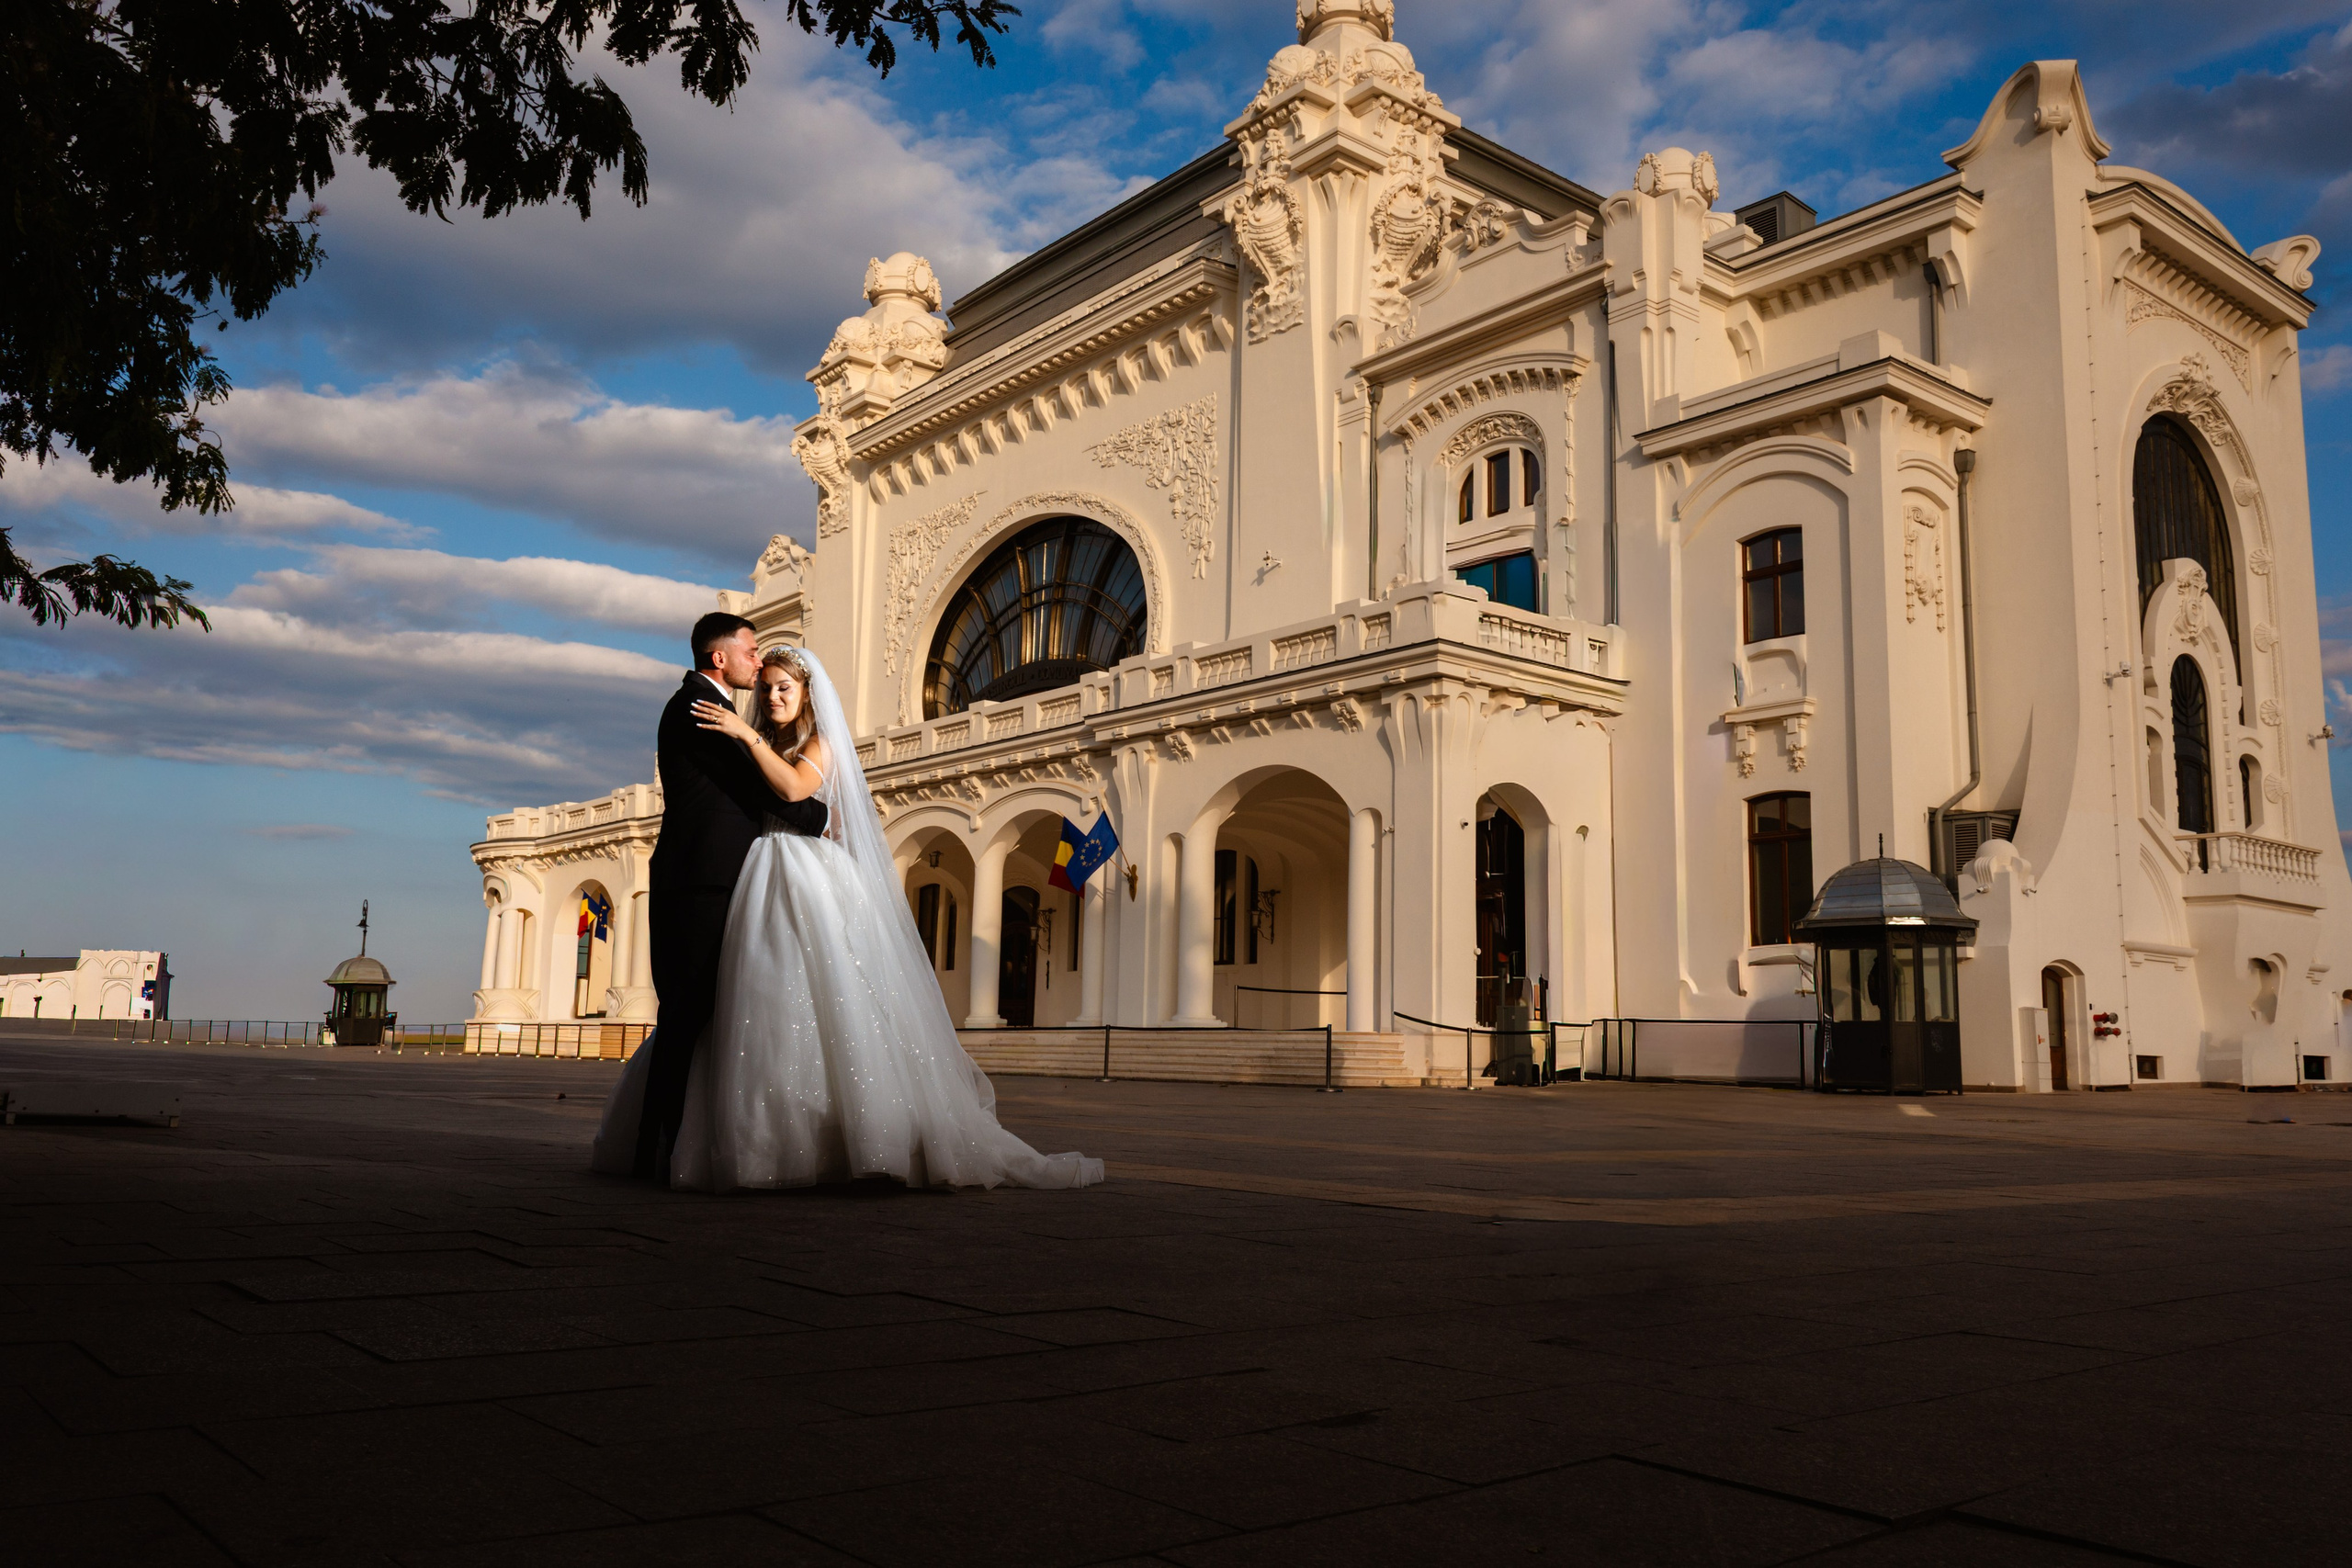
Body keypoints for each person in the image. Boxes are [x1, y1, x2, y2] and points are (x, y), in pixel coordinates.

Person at [594, 644, 1102, 1192]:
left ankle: (847, 1134)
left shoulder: (818, 742)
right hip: (756, 872)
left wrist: (746, 737)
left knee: (823, 984)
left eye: (785, 688)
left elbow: (792, 790)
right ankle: (742, 1131)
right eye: (765, 688)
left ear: (807, 692)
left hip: (806, 874)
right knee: (751, 991)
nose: (772, 697)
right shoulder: (760, 741)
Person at [629, 613, 830, 1185]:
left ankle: (670, 1145)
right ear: (719, 658)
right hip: (701, 882)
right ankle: (660, 1150)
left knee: (701, 1016)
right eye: (750, 652)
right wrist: (822, 818)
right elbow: (765, 791)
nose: (758, 660)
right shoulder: (702, 710)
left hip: (707, 878)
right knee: (686, 1015)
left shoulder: (710, 707)